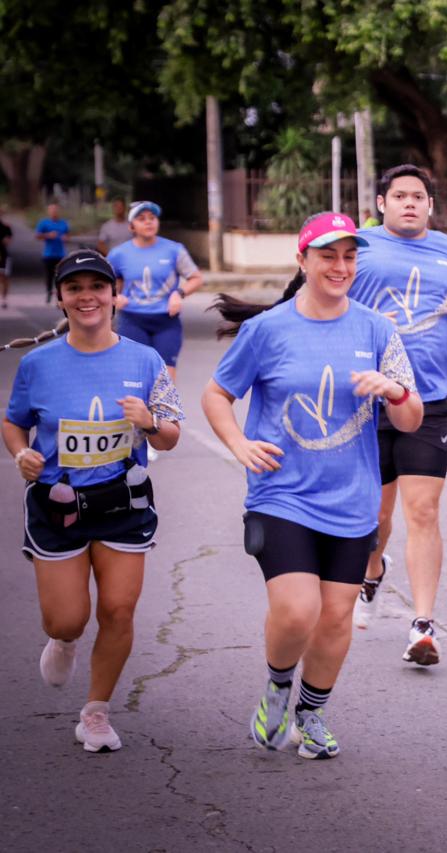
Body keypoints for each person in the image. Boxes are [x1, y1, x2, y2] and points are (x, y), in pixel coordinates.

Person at [203, 212, 423, 760]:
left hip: (352, 501)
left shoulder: (376, 329)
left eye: (349, 256)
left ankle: (313, 711)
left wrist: (394, 392)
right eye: (328, 255)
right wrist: (239, 445)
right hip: (282, 495)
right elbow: (215, 395)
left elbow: (413, 417)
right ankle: (278, 686)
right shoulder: (267, 329)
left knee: (335, 617)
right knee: (299, 610)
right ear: (302, 261)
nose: (340, 266)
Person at [2, 248, 183, 753]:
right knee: (67, 618)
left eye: (97, 287)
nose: (87, 297)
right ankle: (63, 640)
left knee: (120, 611)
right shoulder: (38, 364)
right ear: (60, 299)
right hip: (57, 505)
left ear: (114, 295)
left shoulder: (145, 361)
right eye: (75, 289)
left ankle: (96, 713)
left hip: (122, 503)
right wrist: (21, 454)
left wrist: (148, 422)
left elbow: (170, 437)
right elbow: (15, 422)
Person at [346, 165, 447, 666]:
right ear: (381, 202)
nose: (409, 203)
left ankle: (423, 625)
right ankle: (372, 570)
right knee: (375, 515)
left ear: (429, 204)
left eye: (418, 196)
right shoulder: (357, 245)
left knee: (422, 511)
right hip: (364, 402)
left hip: (427, 401)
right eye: (399, 195)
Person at [108, 201, 204, 382]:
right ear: (131, 226)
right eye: (142, 219)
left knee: (165, 378)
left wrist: (179, 293)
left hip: (166, 320)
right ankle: (140, 411)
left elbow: (196, 278)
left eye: (152, 218)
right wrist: (115, 297)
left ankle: (163, 411)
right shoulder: (119, 254)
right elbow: (105, 283)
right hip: (132, 319)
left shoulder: (174, 250)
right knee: (136, 378)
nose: (148, 222)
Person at [36, 202, 70, 303]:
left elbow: (68, 236)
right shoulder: (44, 223)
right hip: (48, 254)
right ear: (49, 211)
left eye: (55, 210)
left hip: (61, 254)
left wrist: (66, 238)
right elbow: (37, 236)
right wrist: (48, 235)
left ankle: (59, 295)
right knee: (49, 275)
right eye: (52, 210)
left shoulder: (63, 223)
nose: (54, 212)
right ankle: (48, 293)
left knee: (60, 275)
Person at [0, 204, 12, 309]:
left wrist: (5, 240)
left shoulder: (5, 227)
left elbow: (8, 240)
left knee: (4, 277)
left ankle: (4, 299)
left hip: (3, 256)